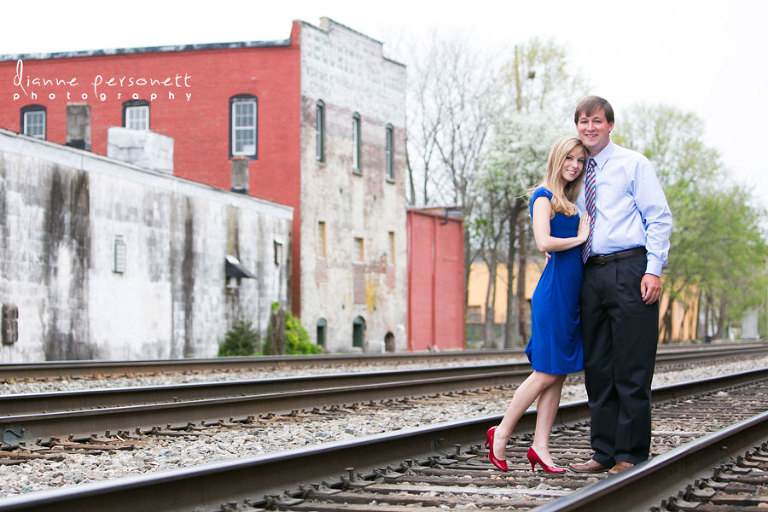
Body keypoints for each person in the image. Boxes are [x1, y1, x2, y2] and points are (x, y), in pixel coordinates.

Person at [568, 96, 673, 476]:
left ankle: (630, 453)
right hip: (590, 273)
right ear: (577, 126)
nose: (590, 127)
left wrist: (653, 269)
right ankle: (603, 451)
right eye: (583, 121)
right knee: (598, 367)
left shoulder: (633, 164)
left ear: (610, 125)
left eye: (597, 120)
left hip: (630, 268)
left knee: (632, 365)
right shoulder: (575, 170)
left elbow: (658, 217)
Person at [486, 136, 590, 473]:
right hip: (555, 293)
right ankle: (500, 434)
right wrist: (579, 238)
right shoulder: (543, 197)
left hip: (571, 293)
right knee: (546, 372)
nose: (574, 165)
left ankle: (540, 447)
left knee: (558, 375)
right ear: (557, 159)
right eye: (569, 159)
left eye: (580, 160)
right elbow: (543, 241)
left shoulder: (570, 201)